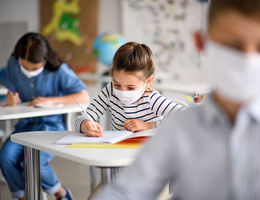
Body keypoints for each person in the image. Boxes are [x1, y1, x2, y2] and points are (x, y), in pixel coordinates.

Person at [92, 0, 260, 199]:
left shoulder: (166, 113)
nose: (248, 59)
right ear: (201, 43)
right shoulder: (178, 129)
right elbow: (126, 192)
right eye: (232, 45)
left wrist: (148, 124)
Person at [0, 32, 89, 200]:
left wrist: (52, 100)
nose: (29, 72)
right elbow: (7, 89)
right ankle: (24, 197)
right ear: (18, 59)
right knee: (5, 157)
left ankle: (61, 194)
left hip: (51, 126)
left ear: (45, 59)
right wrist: (9, 98)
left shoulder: (59, 70)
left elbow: (84, 96)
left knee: (33, 162)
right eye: (25, 67)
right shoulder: (12, 65)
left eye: (35, 68)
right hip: (24, 127)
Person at [75, 42, 184, 137]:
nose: (122, 92)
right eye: (117, 84)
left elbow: (185, 115)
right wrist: (85, 124)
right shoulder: (110, 91)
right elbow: (84, 116)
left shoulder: (151, 99)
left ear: (148, 82)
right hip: (119, 153)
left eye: (131, 87)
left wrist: (149, 125)